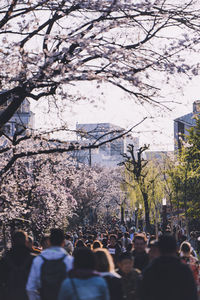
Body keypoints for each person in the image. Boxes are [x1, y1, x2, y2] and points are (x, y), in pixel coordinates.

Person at [141, 234, 198, 300]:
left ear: (160, 249)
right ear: (176, 250)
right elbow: (192, 295)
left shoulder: (151, 269)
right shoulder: (184, 270)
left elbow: (143, 294)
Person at [26, 228, 73, 300]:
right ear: (63, 242)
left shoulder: (38, 260)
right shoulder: (70, 261)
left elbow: (30, 288)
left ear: (49, 242)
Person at [0, 230, 35, 300]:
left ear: (12, 242)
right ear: (26, 242)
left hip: (10, 295)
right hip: (28, 295)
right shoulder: (33, 259)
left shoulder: (5, 259)